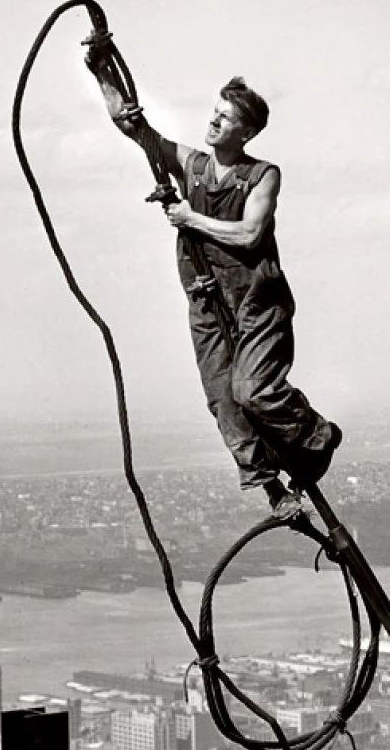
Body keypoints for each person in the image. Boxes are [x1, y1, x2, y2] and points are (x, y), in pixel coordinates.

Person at [85, 37, 341, 516]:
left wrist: (189, 219)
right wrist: (102, 72)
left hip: (256, 303)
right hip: (205, 298)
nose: (214, 120)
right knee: (224, 401)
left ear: (244, 132)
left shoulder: (262, 175)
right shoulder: (194, 166)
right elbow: (134, 129)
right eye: (215, 110)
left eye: (225, 117)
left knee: (255, 392)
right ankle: (273, 492)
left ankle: (316, 437)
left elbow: (249, 235)